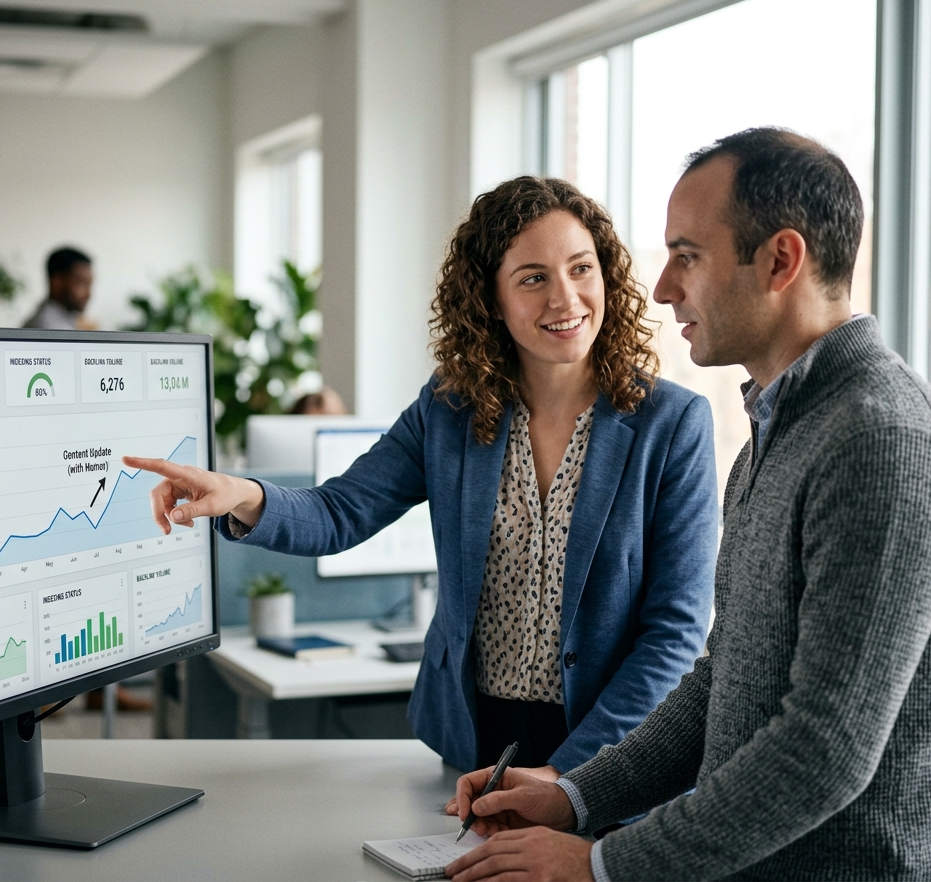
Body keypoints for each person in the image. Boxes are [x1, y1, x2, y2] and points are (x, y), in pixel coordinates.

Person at [445, 128, 931, 882]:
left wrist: (601, 864)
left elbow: (822, 754)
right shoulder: (782, 427)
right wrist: (574, 796)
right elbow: (722, 680)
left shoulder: (883, 443)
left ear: (779, 261)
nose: (662, 287)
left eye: (687, 256)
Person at [124, 177, 718, 775]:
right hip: (473, 738)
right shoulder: (451, 410)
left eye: (581, 268)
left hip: (608, 744)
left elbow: (676, 631)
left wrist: (571, 777)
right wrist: (242, 494)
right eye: (533, 277)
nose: (565, 298)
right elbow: (339, 512)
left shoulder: (672, 423)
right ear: (491, 298)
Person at [22, 246, 93, 330]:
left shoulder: (65, 319)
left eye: (89, 285)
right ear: (57, 282)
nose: (88, 294)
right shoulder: (47, 327)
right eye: (82, 284)